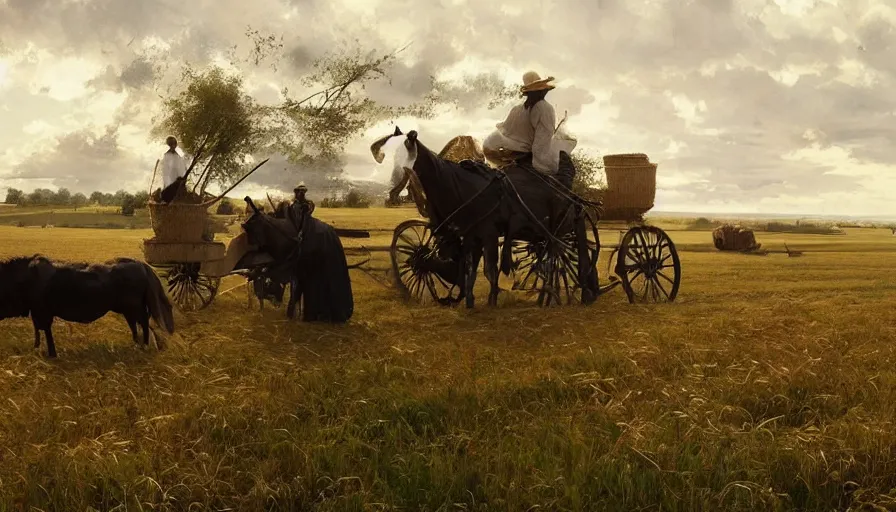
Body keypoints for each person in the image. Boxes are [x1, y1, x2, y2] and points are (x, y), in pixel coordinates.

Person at [482, 71, 578, 187]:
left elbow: (508, 135)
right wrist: (544, 167)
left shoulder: (517, 108)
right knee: (565, 166)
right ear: (542, 91)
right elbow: (540, 146)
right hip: (520, 154)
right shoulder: (545, 109)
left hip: (499, 151)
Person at [159, 136, 187, 203]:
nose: (174, 145)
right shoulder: (168, 155)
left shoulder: (175, 155)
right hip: (171, 177)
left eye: (174, 143)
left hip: (175, 177)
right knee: (171, 191)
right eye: (173, 144)